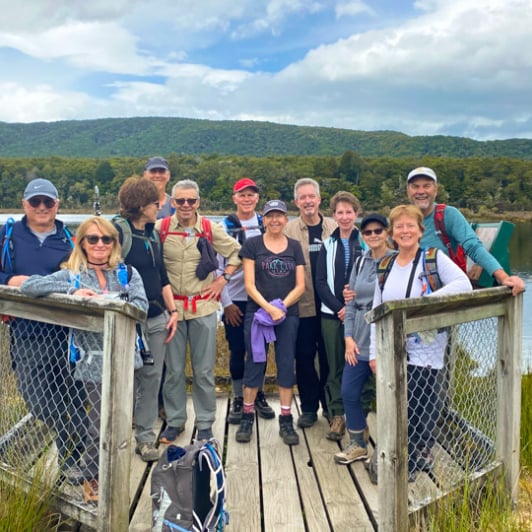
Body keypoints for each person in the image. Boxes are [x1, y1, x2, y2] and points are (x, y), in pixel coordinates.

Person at [21, 216, 148, 502]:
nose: (100, 245)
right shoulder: (72, 274)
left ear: (115, 243)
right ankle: (92, 476)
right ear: (82, 243)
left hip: (128, 359)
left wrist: (110, 302)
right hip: (92, 362)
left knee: (122, 420)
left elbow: (141, 306)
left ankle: (107, 472)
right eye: (93, 239)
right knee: (100, 422)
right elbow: (30, 287)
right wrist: (73, 293)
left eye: (106, 239)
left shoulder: (127, 273)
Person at [369, 204, 472, 481]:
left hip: (426, 350)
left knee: (420, 407)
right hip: (392, 351)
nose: (405, 231)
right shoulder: (385, 266)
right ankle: (395, 457)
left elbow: (463, 284)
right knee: (395, 407)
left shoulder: (433, 258)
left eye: (410, 226)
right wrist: (372, 353)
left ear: (420, 230)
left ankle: (413, 459)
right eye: (399, 226)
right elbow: (376, 313)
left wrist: (423, 303)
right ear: (392, 233)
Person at [0, 178, 87, 483]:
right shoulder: (8, 235)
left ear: (56, 205)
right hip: (26, 334)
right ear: (24, 204)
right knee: (38, 399)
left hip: (68, 335)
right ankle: (71, 443)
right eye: (34, 202)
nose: (40, 208)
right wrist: (12, 281)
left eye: (47, 202)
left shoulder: (69, 239)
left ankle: (72, 461)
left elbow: (86, 276)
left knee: (73, 398)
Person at [155, 180, 241, 443]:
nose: (185, 206)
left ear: (198, 202)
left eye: (191, 201)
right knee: (173, 370)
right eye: (180, 201)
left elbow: (237, 252)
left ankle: (205, 423)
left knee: (204, 371)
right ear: (172, 202)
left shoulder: (209, 228)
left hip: (203, 306)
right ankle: (176, 420)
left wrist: (222, 279)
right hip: (173, 309)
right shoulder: (161, 228)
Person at [115, 177, 178, 462]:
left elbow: (161, 276)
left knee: (152, 378)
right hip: (128, 320)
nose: (160, 206)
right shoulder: (119, 232)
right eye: (155, 202)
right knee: (124, 377)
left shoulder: (152, 234)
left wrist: (172, 311)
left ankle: (144, 438)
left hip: (156, 317)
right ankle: (115, 436)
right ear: (141, 205)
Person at [235, 200, 305, 445]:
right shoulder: (252, 245)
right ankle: (246, 415)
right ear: (263, 220)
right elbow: (249, 285)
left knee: (286, 364)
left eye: (280, 216)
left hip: (288, 314)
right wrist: (268, 308)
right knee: (255, 363)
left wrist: (281, 307)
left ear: (286, 219)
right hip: (258, 314)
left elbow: (300, 285)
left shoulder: (295, 247)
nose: (275, 220)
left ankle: (286, 419)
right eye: (270, 216)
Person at [406, 166, 525, 296]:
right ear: (408, 191)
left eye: (426, 186)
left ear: (435, 190)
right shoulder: (400, 221)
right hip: (408, 293)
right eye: (415, 186)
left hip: (443, 295)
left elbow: (473, 247)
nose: (421, 191)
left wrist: (503, 277)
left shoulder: (447, 215)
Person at [334, 214, 394, 465]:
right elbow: (351, 304)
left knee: (389, 396)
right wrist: (348, 337)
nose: (372, 236)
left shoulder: (395, 261)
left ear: (387, 232)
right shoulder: (360, 262)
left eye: (378, 231)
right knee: (349, 392)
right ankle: (358, 443)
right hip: (358, 340)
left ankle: (391, 448)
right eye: (367, 232)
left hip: (384, 341)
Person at [219, 178, 274, 424]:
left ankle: (258, 393)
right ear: (234, 198)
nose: (247, 199)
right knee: (237, 350)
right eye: (242, 194)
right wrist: (226, 303)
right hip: (235, 298)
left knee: (260, 350)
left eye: (251, 195)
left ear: (257, 198)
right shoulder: (223, 227)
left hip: (261, 299)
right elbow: (216, 269)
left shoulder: (266, 225)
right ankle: (238, 397)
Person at [284, 178, 336, 428]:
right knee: (303, 357)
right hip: (301, 306)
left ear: (319, 199)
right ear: (296, 202)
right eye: (302, 197)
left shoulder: (335, 228)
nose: (307, 201)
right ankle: (307, 407)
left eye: (311, 196)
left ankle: (330, 405)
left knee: (329, 358)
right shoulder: (287, 231)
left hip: (330, 307)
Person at [316, 191, 363, 441]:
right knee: (334, 366)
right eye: (340, 212)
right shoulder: (328, 244)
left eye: (349, 212)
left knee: (358, 365)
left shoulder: (366, 243)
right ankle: (337, 416)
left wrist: (353, 309)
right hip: (332, 316)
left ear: (356, 214)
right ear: (333, 215)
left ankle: (360, 415)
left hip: (362, 317)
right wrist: (339, 308)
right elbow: (320, 282)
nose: (344, 217)